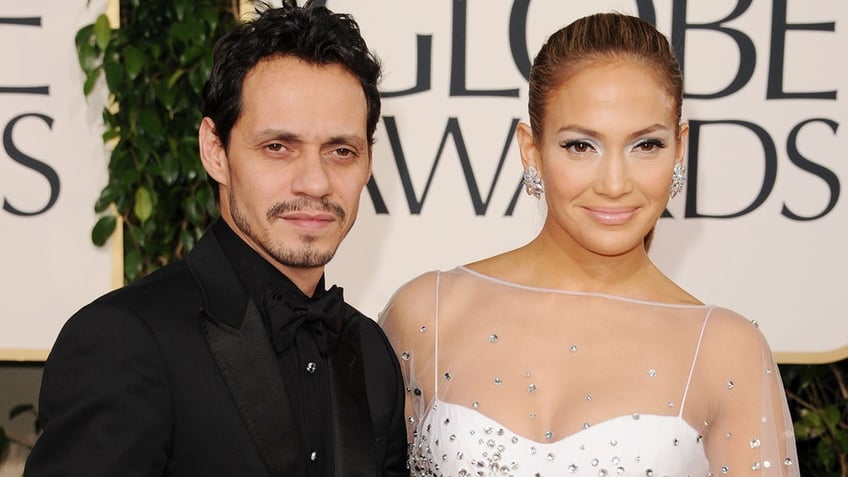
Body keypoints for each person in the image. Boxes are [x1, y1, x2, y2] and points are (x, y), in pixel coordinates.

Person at [379, 12, 799, 477]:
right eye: (581, 146)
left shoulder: (727, 349)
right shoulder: (427, 313)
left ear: (680, 148)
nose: (615, 184)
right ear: (530, 149)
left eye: (646, 146)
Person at [25, 2, 407, 476]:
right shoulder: (125, 340)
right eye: (278, 148)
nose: (315, 182)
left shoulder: (371, 355)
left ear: (369, 161)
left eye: (341, 151)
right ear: (215, 151)